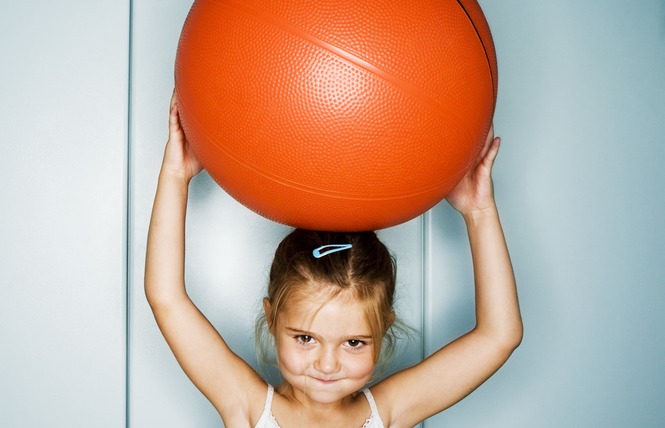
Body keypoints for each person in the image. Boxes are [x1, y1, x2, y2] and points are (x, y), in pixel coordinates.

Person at [145, 92, 523, 427]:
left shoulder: (388, 413)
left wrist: (480, 212)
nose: (327, 365)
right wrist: (176, 174)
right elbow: (166, 298)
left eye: (355, 343)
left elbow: (499, 336)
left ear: (384, 329)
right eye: (306, 338)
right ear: (272, 318)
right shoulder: (247, 408)